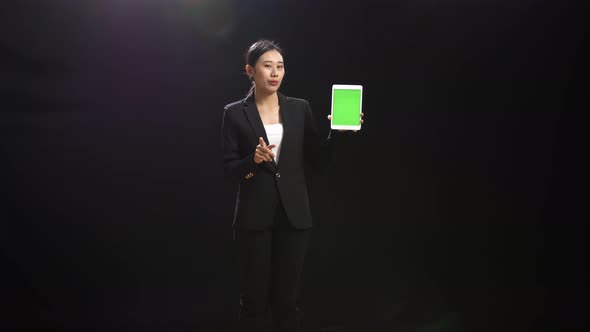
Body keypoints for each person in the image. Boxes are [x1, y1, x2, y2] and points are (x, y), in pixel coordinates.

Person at [221, 39, 363, 332]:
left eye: (280, 66)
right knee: (254, 302)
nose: (275, 73)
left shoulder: (300, 109)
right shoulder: (234, 113)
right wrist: (253, 160)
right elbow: (229, 171)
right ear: (250, 70)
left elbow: (318, 160)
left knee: (287, 302)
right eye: (267, 66)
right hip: (253, 218)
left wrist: (338, 132)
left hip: (294, 217)